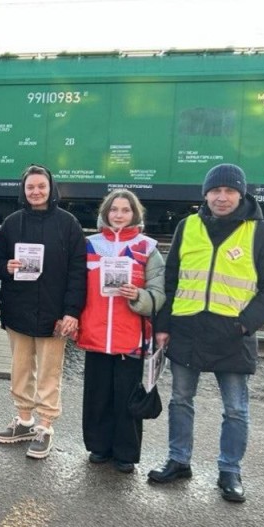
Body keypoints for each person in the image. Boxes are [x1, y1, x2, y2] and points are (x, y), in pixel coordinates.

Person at [148, 164, 264, 502]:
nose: (222, 197)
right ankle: (179, 460)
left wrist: (244, 324)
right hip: (188, 329)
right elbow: (171, 280)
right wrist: (163, 326)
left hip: (233, 335)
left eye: (229, 191)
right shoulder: (188, 226)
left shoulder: (261, 232)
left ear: (241, 195)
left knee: (235, 409)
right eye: (216, 191)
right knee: (181, 400)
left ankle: (229, 471)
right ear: (206, 194)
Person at [0, 164, 87, 460]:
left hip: (55, 314)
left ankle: (45, 426)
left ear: (51, 188)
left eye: (41, 186)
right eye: (30, 187)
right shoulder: (12, 223)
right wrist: (5, 268)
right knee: (20, 369)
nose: (36, 192)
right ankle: (24, 421)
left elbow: (78, 271)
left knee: (49, 372)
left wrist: (72, 311)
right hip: (18, 309)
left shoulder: (68, 224)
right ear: (23, 190)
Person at [76, 190, 166, 473]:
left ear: (135, 215)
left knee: (126, 398)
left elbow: (159, 293)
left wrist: (138, 295)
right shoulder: (90, 245)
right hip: (96, 334)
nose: (118, 215)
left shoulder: (147, 248)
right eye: (113, 209)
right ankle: (99, 447)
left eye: (125, 210)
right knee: (97, 396)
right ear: (105, 213)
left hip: (131, 337)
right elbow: (76, 287)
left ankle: (126, 453)